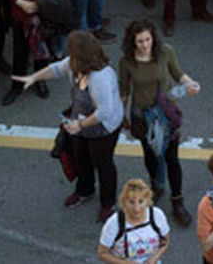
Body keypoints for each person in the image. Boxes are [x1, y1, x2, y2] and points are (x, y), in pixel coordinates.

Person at [14, 30, 124, 222]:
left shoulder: (100, 77)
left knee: (103, 164)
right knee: (81, 157)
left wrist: (80, 124)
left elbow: (104, 111)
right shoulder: (75, 64)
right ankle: (85, 190)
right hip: (79, 122)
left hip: (103, 128)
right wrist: (33, 78)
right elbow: (55, 69)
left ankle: (108, 203)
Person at [117, 19, 201, 228]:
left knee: (172, 158)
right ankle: (155, 183)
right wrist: (121, 116)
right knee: (151, 155)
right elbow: (124, 91)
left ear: (153, 37)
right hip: (142, 117)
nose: (145, 45)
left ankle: (177, 202)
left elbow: (178, 73)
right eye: (140, 41)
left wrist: (190, 84)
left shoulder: (165, 52)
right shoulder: (126, 62)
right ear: (132, 42)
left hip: (165, 115)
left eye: (148, 39)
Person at [96, 178, 170, 264]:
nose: (136, 209)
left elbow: (165, 242)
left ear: (147, 201)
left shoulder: (157, 216)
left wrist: (154, 259)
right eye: (131, 202)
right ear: (124, 202)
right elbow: (102, 253)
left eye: (141, 202)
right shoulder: (114, 223)